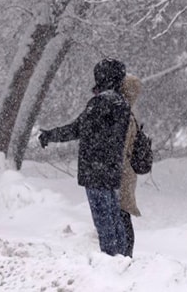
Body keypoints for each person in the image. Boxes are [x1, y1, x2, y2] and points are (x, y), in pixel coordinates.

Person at [38, 59, 131, 256]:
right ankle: (123, 258)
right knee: (114, 217)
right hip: (112, 168)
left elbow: (78, 128)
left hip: (96, 170)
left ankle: (111, 261)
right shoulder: (122, 103)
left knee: (103, 220)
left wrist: (51, 135)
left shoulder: (100, 103)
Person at [118, 74, 143, 257]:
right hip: (128, 172)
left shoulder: (125, 116)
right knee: (123, 212)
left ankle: (125, 254)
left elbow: (122, 147)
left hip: (122, 172)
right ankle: (126, 253)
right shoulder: (130, 114)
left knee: (122, 213)